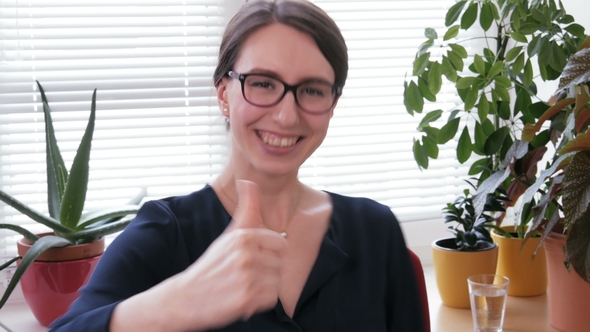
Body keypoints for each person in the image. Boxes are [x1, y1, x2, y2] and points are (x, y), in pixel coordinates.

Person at [50, 0, 424, 331]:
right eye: (262, 83)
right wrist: (180, 301)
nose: (286, 114)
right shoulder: (164, 234)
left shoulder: (376, 231)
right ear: (223, 94)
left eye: (311, 90)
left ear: (333, 104)